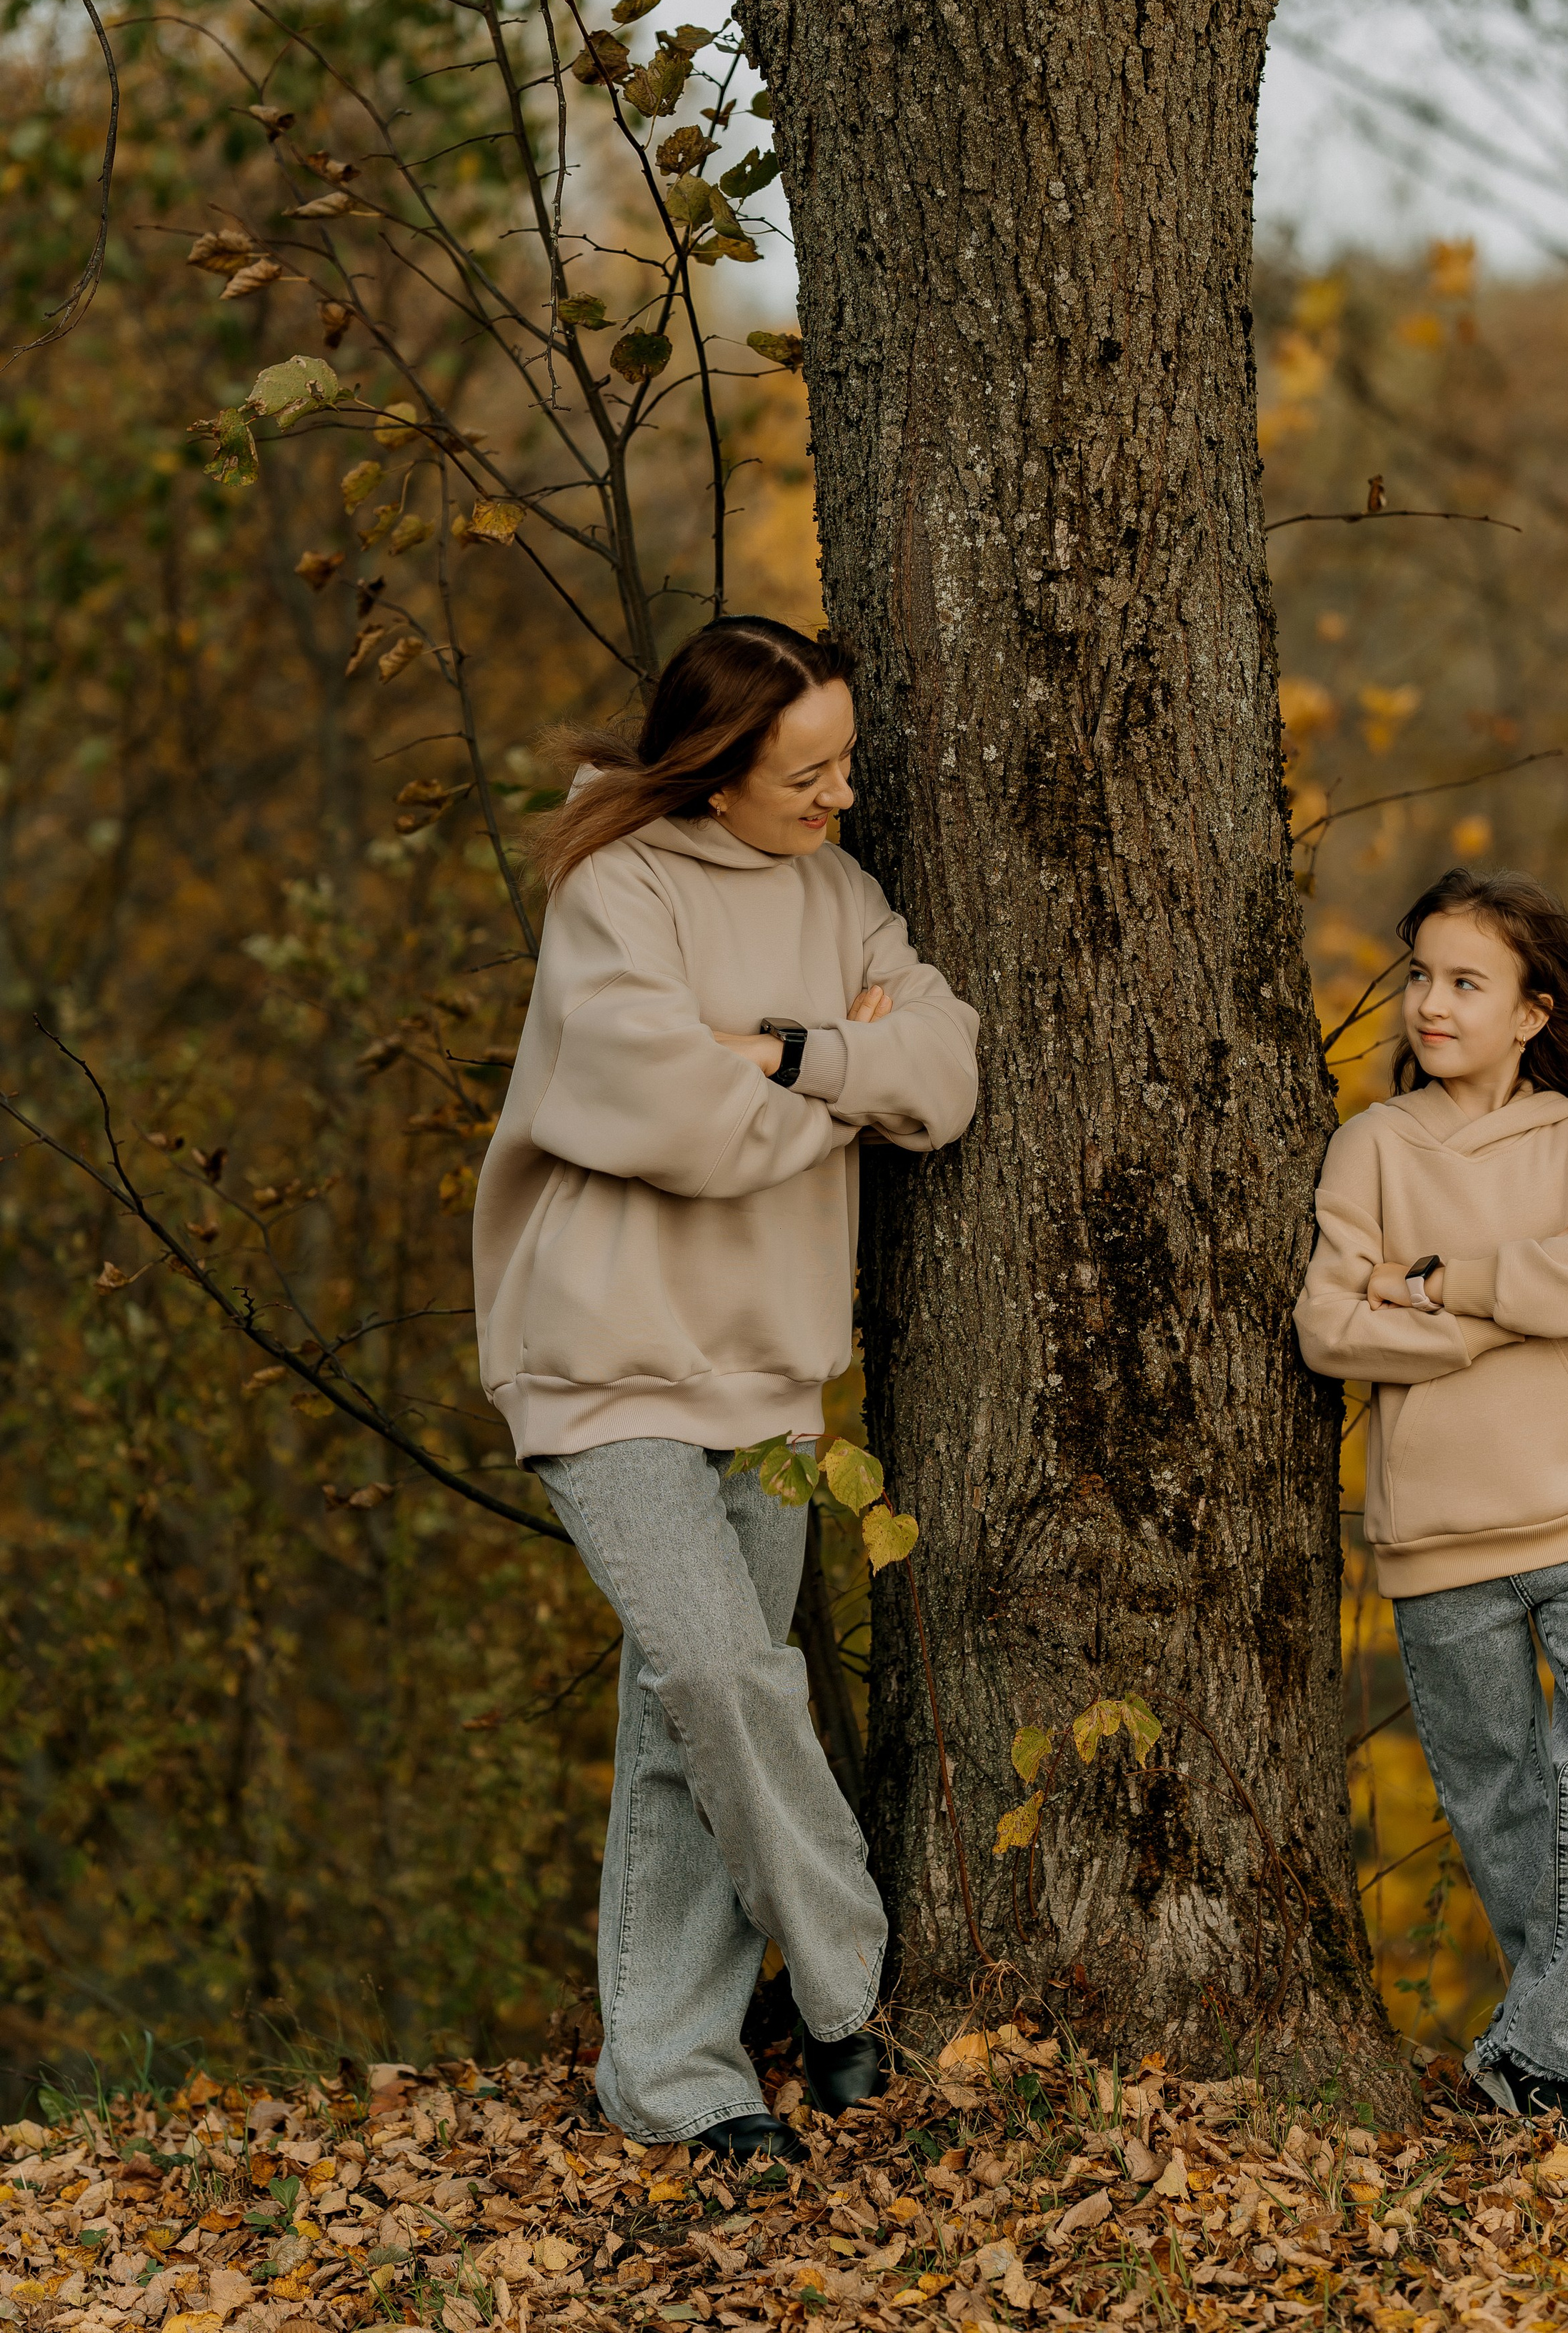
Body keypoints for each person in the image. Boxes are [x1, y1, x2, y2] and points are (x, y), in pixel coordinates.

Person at [471, 616, 979, 2163]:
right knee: (718, 1676)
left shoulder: (842, 893)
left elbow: (941, 1075)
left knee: (685, 1723)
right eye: (804, 775)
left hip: (766, 1381)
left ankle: (672, 2075)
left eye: (840, 766)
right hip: (599, 1354)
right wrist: (844, 1081)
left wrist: (775, 1052)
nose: (835, 799)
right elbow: (672, 1123)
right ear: (711, 772)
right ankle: (841, 1995)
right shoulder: (611, 887)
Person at [1295, 867, 1568, 2142]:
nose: (1430, 1003)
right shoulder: (1373, 1145)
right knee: (1506, 1810)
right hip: (1435, 1536)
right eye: (1420, 975)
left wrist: (1436, 1284)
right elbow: (1325, 1326)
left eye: (1466, 982)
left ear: (1532, 1010)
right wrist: (1478, 1331)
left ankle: (1536, 2048)